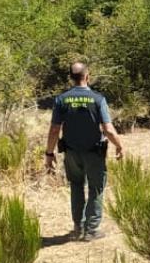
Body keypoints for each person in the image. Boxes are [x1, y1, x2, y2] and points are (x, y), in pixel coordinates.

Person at [44, 63, 124, 241]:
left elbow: (55, 130)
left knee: (76, 186)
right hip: (94, 152)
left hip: (71, 153)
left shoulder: (61, 99)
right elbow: (108, 129)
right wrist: (119, 145)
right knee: (96, 188)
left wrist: (49, 153)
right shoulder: (98, 99)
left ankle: (78, 227)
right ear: (88, 76)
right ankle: (91, 230)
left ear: (71, 78)